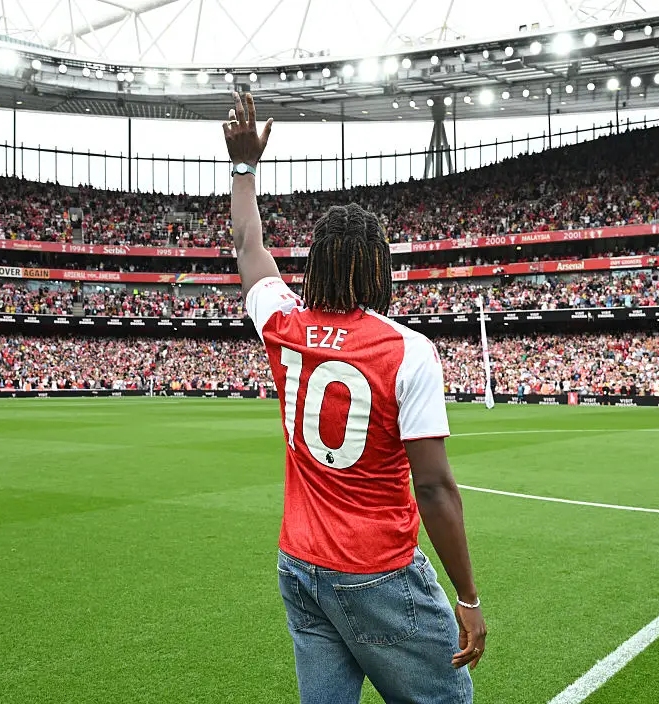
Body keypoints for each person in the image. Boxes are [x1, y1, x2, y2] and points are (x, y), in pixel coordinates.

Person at [223, 92, 485, 704]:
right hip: (378, 570)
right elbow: (435, 487)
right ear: (377, 268)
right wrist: (467, 598)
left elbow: (247, 246)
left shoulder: (281, 322)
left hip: (299, 563)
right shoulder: (407, 349)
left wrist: (243, 169)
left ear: (317, 262)